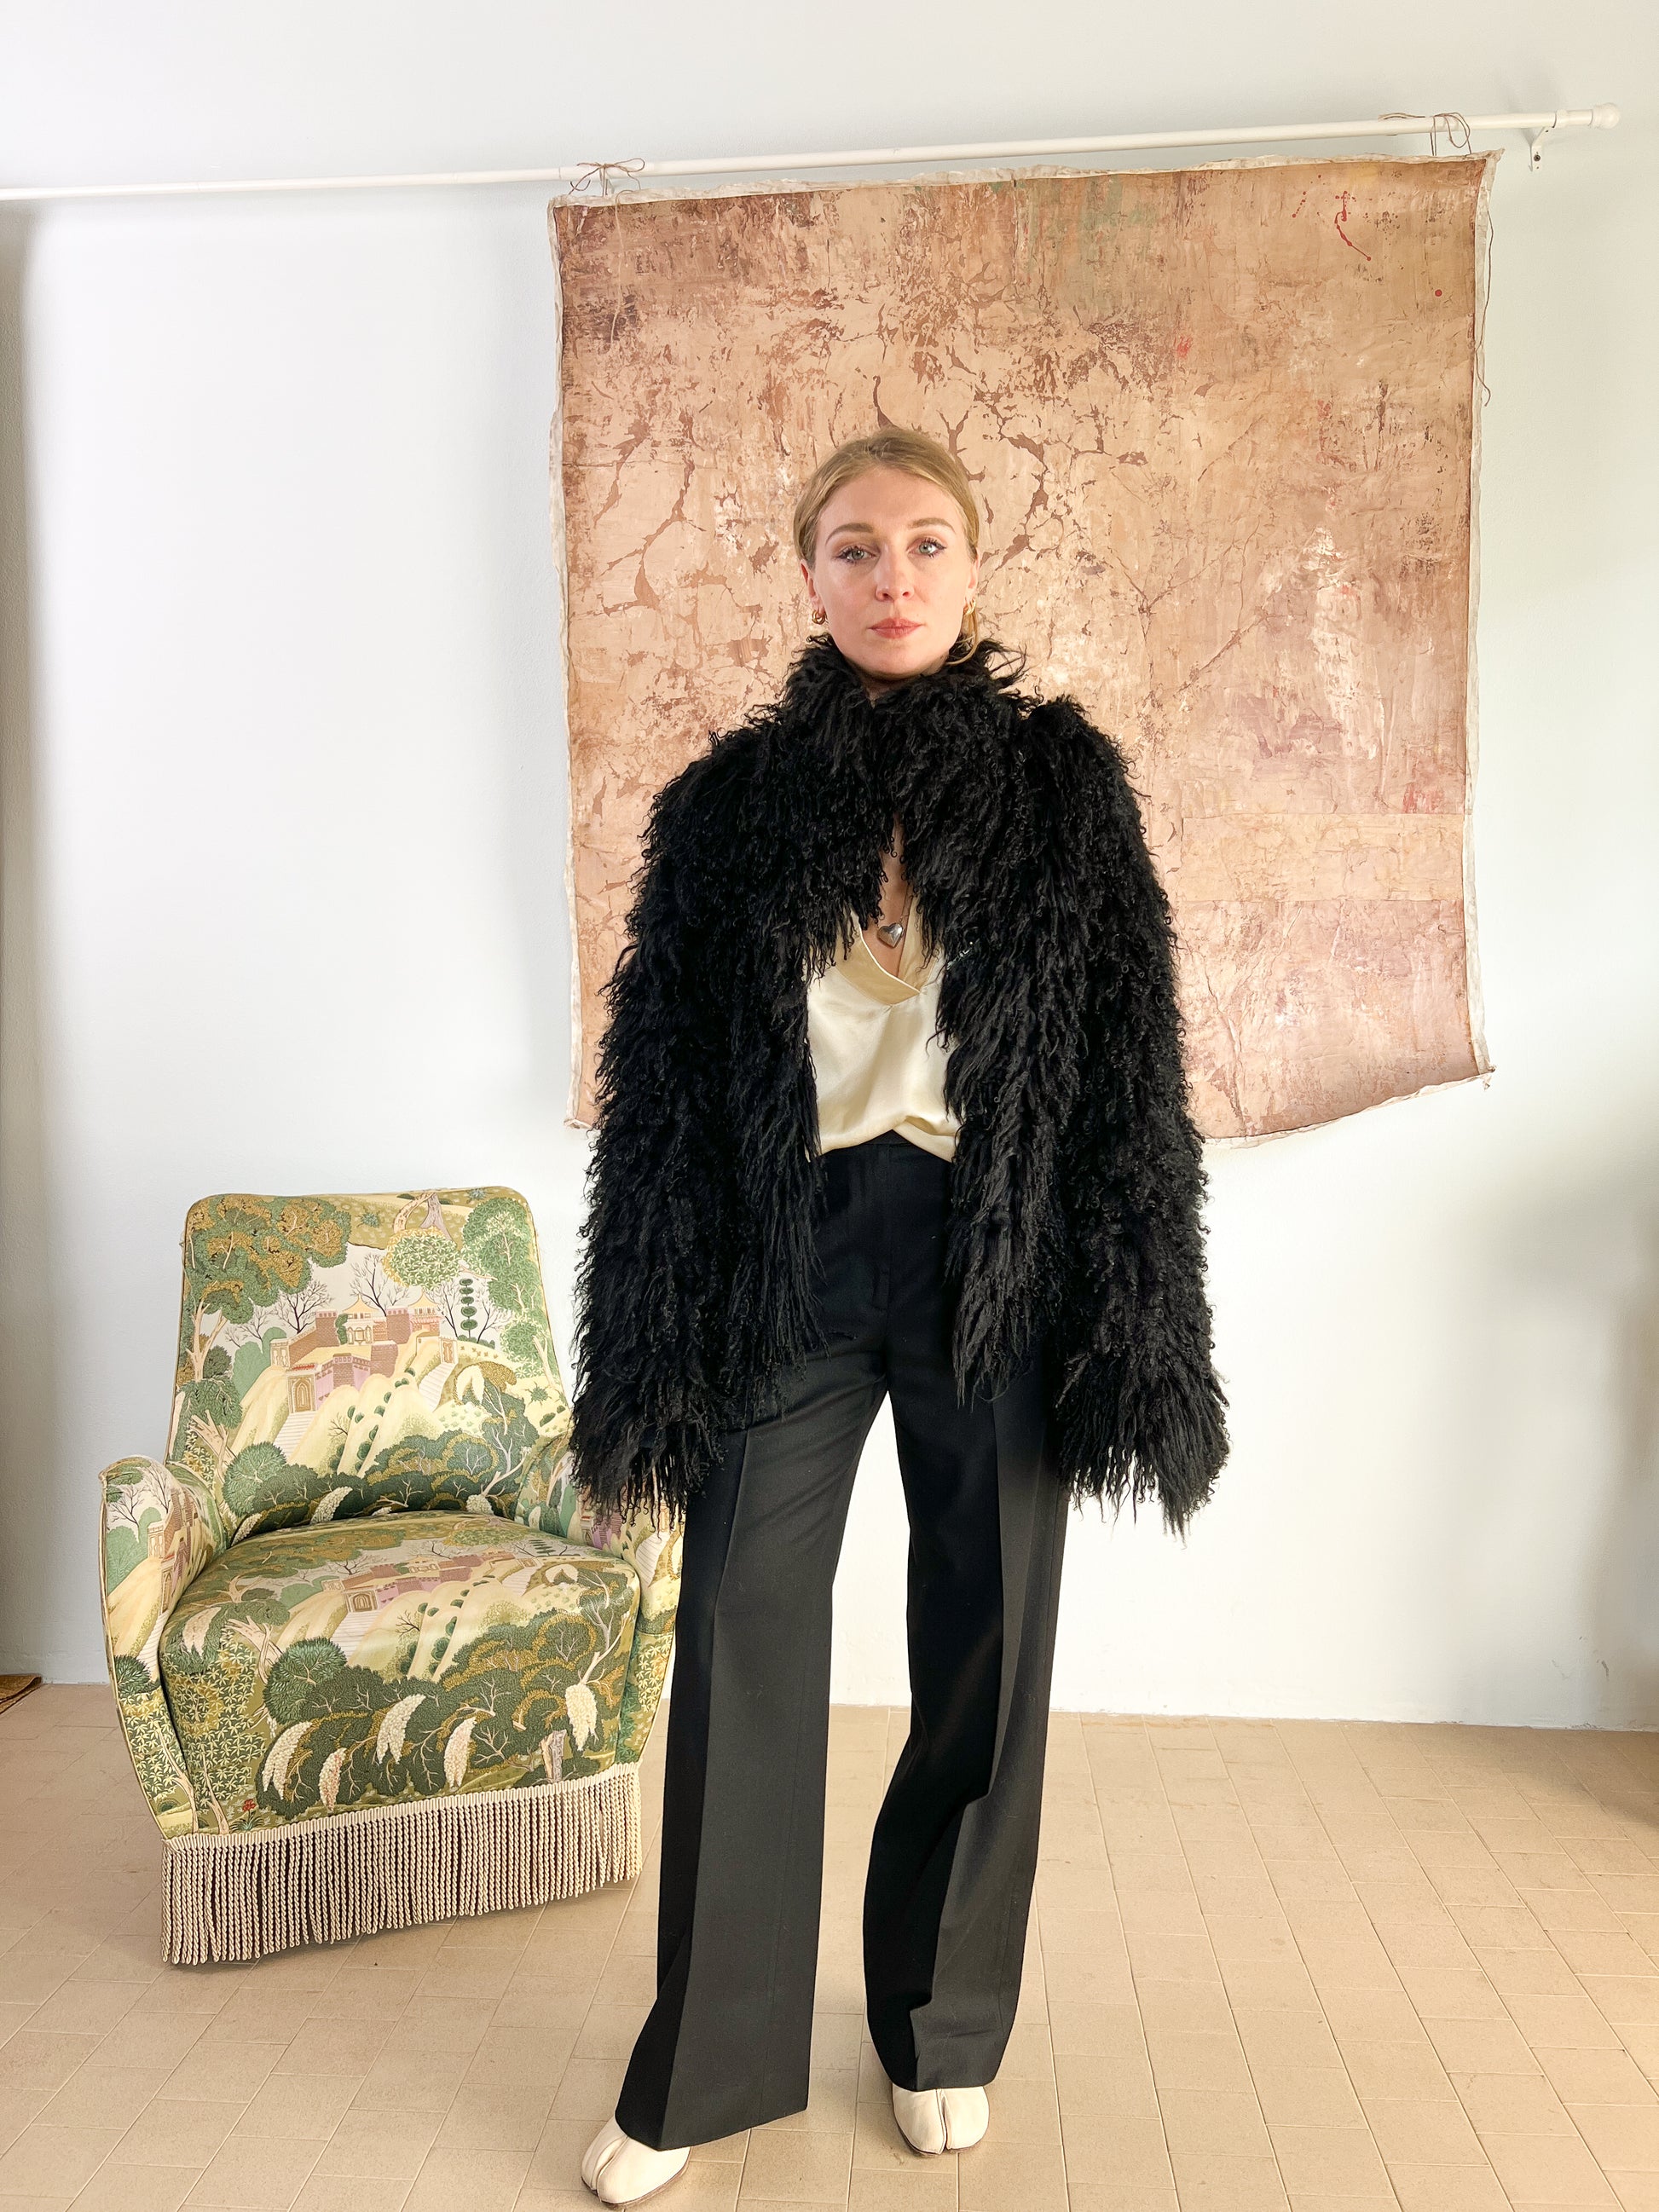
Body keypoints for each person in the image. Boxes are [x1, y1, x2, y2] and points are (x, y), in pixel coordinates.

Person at [569, 427, 1229, 2205]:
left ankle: (941, 2027)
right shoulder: (727, 807)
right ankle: (706, 2061)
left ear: (972, 568)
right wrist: (647, 1332)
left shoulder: (1062, 788)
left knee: (987, 1642)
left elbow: (1129, 1070)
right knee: (738, 1630)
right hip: (783, 1259)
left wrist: (1130, 1304)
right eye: (855, 546)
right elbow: (660, 1095)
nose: (893, 576)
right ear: (809, 576)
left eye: (926, 543)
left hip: (989, 1253)